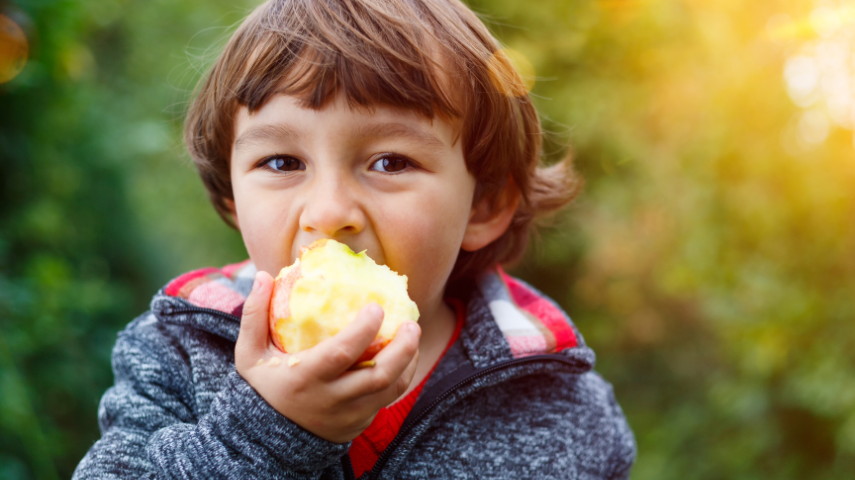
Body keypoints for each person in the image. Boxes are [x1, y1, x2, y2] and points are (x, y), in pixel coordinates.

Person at [73, 0, 636, 478]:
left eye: (390, 161)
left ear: (483, 205)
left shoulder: (562, 408)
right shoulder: (178, 352)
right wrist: (264, 432)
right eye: (282, 160)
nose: (330, 212)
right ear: (231, 199)